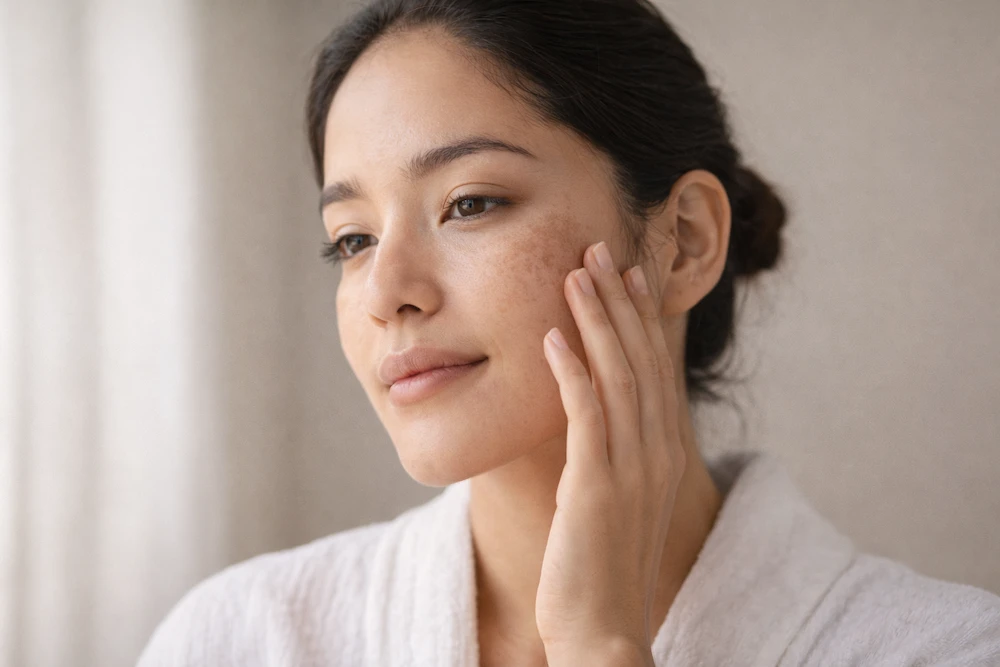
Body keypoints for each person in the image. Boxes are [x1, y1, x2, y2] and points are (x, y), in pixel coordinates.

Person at [137, 1, 1000, 665]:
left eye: (470, 203)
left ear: (684, 239)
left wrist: (600, 644)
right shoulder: (240, 638)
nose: (386, 293)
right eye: (353, 240)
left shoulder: (947, 649)